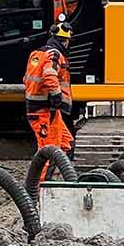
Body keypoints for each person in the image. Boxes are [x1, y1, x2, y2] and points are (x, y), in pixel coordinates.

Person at [23, 22, 74, 168]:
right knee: (48, 153)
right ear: (64, 41)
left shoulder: (37, 53)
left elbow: (27, 79)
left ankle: (59, 181)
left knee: (67, 145)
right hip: (44, 111)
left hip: (47, 111)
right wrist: (57, 95)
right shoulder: (54, 55)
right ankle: (41, 188)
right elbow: (49, 75)